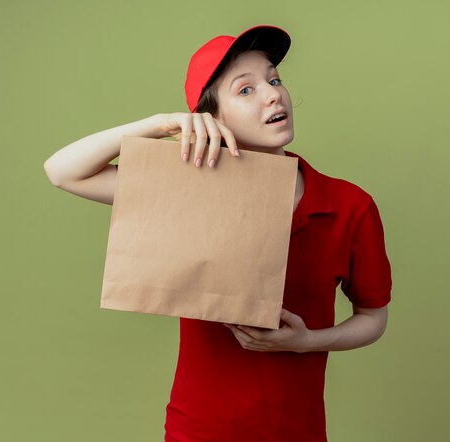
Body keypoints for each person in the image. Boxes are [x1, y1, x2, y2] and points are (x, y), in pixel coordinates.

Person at [44, 24, 392, 442]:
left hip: (296, 431)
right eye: (245, 90)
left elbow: (373, 318)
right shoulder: (188, 187)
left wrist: (305, 342)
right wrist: (162, 123)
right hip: (197, 430)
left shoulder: (349, 205)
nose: (273, 94)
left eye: (274, 79)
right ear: (211, 117)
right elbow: (63, 171)